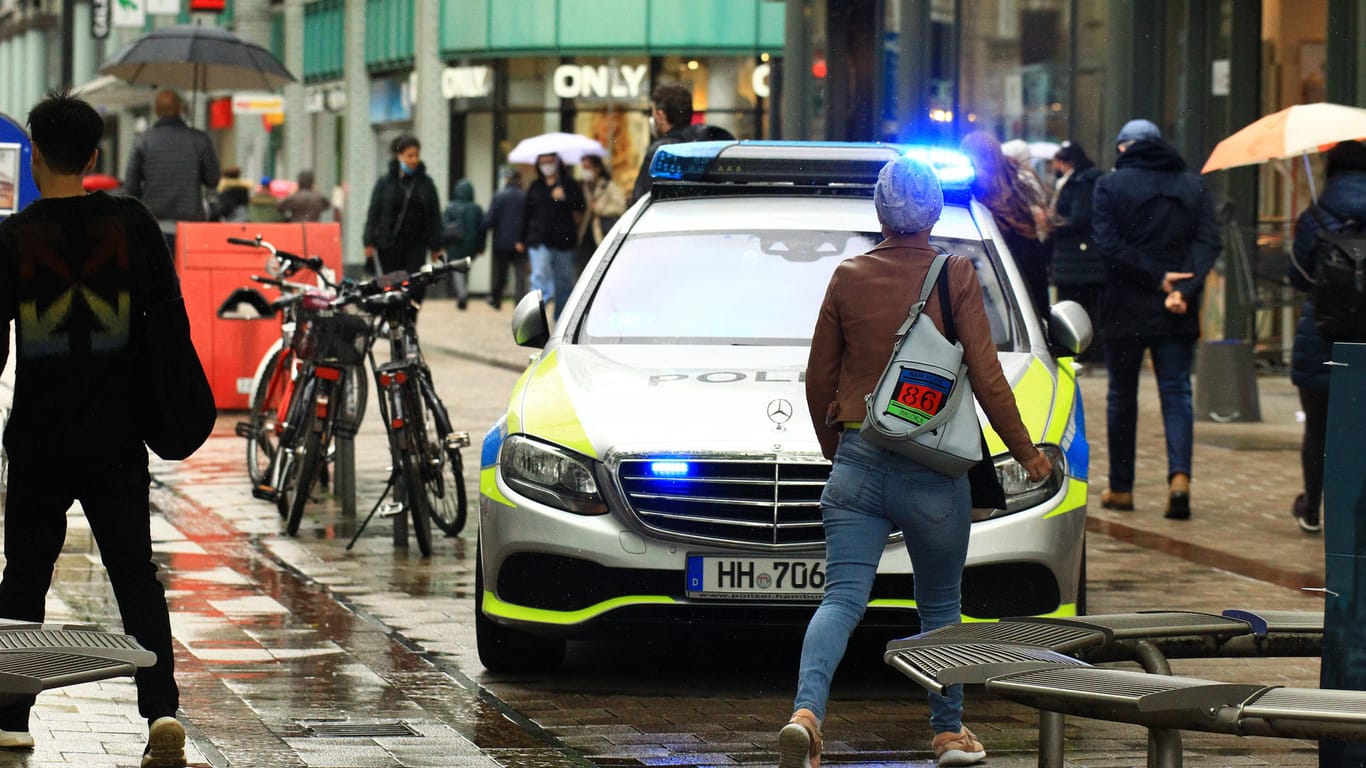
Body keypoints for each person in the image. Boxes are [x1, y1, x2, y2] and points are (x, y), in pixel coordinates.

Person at [786, 155, 1052, 768]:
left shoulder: (847, 277)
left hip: (858, 457)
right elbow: (986, 376)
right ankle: (948, 732)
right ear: (933, 211)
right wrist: (1027, 455)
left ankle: (806, 714)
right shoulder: (954, 273)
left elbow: (818, 376)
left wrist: (840, 451)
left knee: (842, 599)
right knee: (939, 604)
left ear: (880, 211)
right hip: (934, 471)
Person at [0, 90, 186, 767]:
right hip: (116, 438)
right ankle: (161, 711)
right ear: (97, 156)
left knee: (24, 576)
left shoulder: (13, 237)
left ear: (36, 155)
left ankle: (10, 720)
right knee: (134, 574)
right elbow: (168, 320)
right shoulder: (131, 224)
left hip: (41, 438)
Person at [1091, 118, 1219, 520]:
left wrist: (1155, 277)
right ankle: (1179, 478)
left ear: (1125, 148)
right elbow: (1207, 241)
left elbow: (1108, 245)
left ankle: (1122, 487)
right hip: (1175, 309)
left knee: (1122, 396)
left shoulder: (1110, 185)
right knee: (1177, 393)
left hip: (1125, 305)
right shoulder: (1191, 184)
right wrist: (1183, 286)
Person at [1286, 140, 1366, 533]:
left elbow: (1297, 276)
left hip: (1322, 334)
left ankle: (1313, 507)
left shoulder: (1315, 215)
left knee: (1317, 427)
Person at [959, 131, 1052, 317]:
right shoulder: (1019, 198)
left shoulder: (967, 198)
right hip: (1014, 314)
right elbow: (1035, 276)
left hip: (987, 311)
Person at [123, 89, 221, 256]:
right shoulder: (199, 139)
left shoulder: (143, 141)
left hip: (153, 224)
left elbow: (131, 185)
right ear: (180, 109)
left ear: (156, 110)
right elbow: (213, 180)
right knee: (188, 278)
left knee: (158, 279)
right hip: (190, 227)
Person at [363, 134, 445, 302]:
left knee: (415, 286)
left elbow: (435, 216)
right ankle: (393, 324)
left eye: (416, 155)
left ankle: (409, 323)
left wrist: (436, 246)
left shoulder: (426, 183)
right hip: (389, 246)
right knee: (391, 287)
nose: (414, 160)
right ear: (399, 156)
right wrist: (368, 241)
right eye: (410, 156)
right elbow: (374, 213)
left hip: (416, 245)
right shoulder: (385, 183)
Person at [1049, 141, 1106, 363]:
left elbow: (1078, 217)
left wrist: (1053, 225)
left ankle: (1086, 352)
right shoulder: (1079, 181)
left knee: (1079, 305)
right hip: (1077, 259)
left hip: (1077, 259)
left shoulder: (1080, 183)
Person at [519, 152, 585, 319]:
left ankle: (560, 320)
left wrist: (564, 197)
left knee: (564, 283)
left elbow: (581, 206)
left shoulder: (568, 184)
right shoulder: (536, 186)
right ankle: (534, 319)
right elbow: (526, 214)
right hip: (539, 239)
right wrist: (521, 239)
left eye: (549, 161)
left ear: (557, 163)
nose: (546, 166)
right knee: (539, 278)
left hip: (564, 241)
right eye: (542, 162)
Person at [629, 83, 694, 205]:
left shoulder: (660, 153)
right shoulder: (699, 146)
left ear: (660, 115)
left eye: (652, 113)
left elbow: (641, 200)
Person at [483, 166, 528, 309]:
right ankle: (519, 303)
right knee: (520, 274)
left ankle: (496, 299)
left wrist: (481, 229)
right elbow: (528, 220)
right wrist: (523, 240)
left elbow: (490, 219)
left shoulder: (499, 196)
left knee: (501, 273)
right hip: (519, 242)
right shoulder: (524, 197)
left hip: (501, 242)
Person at [576, 153, 626, 275]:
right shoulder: (582, 187)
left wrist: (599, 208)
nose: (586, 171)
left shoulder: (608, 186)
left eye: (588, 167)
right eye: (583, 168)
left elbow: (620, 206)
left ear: (597, 168)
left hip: (601, 231)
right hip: (585, 234)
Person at [442, 178, 485, 310]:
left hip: (454, 246)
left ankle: (462, 294)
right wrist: (481, 247)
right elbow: (481, 230)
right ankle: (463, 293)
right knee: (465, 270)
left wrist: (442, 245)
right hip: (470, 246)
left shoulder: (450, 207)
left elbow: (443, 227)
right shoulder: (476, 209)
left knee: (457, 271)